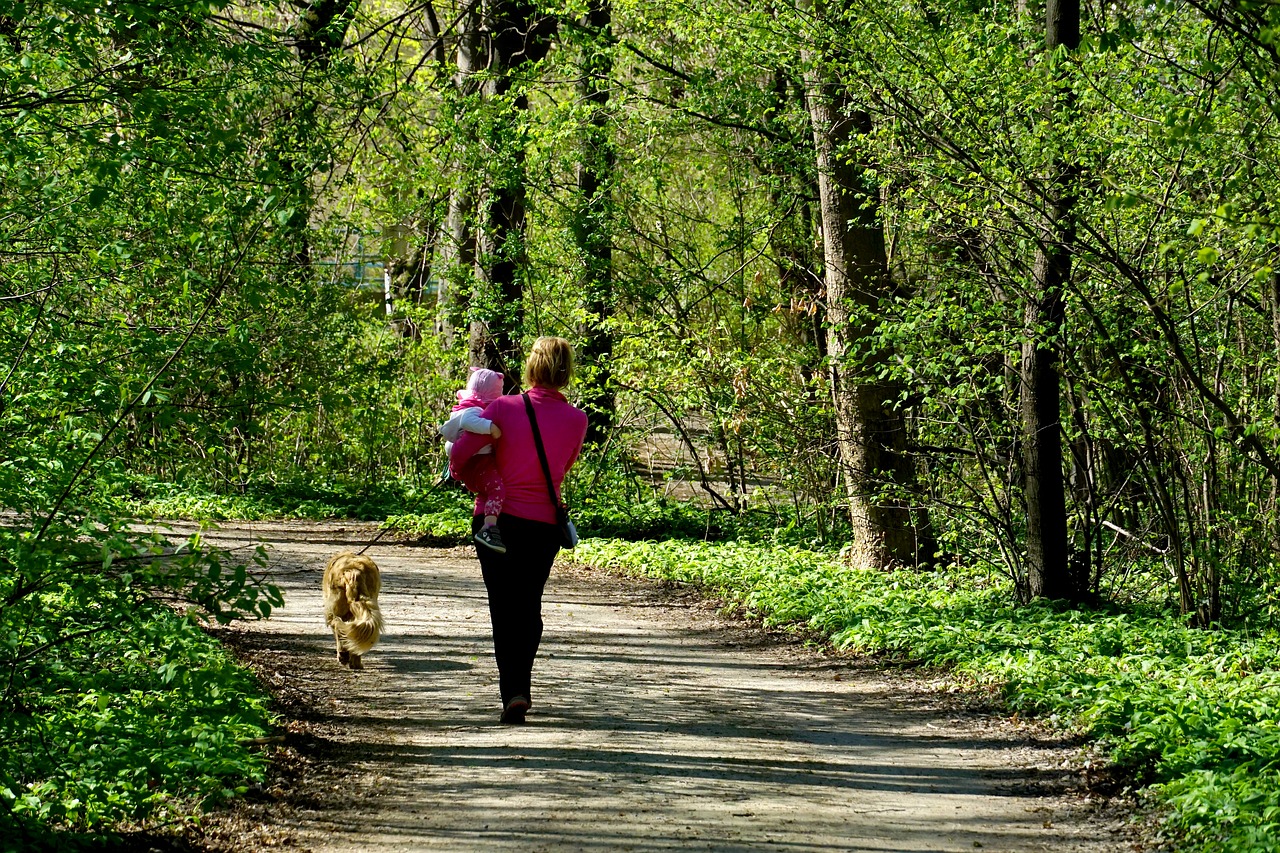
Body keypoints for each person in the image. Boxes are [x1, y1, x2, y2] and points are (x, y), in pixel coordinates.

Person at [449, 338, 588, 724]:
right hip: (543, 525)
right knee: (529, 604)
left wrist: (473, 480)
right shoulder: (578, 420)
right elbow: (564, 467)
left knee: (503, 606)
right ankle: (520, 687)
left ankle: (513, 690)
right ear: (566, 372)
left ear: (530, 368)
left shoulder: (501, 408)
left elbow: (459, 454)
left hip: (497, 522)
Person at [439, 368, 508, 553]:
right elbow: (468, 422)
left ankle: (485, 521)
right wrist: (491, 427)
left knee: (486, 492)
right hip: (478, 462)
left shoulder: (465, 407)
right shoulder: (473, 410)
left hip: (470, 464)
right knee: (497, 490)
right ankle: (489, 528)